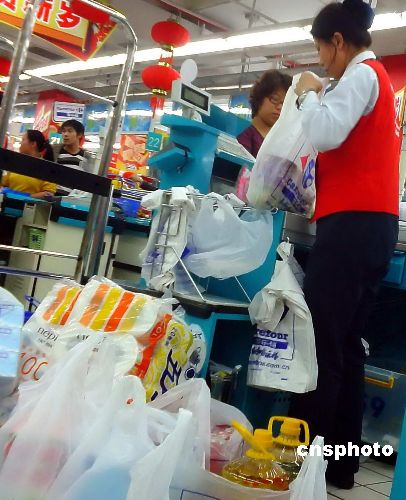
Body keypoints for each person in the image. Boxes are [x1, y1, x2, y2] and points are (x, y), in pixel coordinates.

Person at [289, 0, 400, 490]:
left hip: (351, 227)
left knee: (322, 344)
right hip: (374, 227)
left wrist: (308, 95)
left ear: (337, 41)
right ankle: (341, 466)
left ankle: (304, 465)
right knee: (349, 348)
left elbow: (325, 132)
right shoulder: (379, 82)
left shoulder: (360, 76)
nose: (320, 61)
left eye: (320, 49)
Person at [237, 70, 292, 157]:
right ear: (259, 98)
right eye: (275, 99)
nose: (280, 107)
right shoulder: (243, 137)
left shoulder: (282, 143)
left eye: (285, 103)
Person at [0, 130, 56, 198]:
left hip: (31, 204)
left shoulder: (47, 168)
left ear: (33, 144)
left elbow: (49, 194)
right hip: (7, 203)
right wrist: (7, 192)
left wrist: (26, 197)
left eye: (23, 140)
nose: (20, 142)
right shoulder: (14, 163)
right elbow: (2, 184)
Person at [53, 119, 94, 195]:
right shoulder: (55, 151)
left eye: (70, 131)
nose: (65, 134)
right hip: (53, 196)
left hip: (73, 199)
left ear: (79, 135)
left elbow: (88, 181)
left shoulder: (86, 157)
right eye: (63, 131)